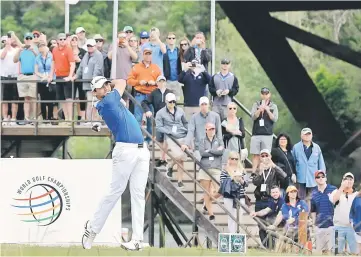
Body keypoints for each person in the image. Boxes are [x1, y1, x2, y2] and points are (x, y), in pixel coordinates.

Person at [82, 77, 150, 251]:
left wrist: (106, 83)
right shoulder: (108, 100)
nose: (104, 88)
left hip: (141, 150)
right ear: (94, 92)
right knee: (115, 191)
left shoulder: (107, 101)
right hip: (125, 151)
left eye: (105, 85)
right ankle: (93, 229)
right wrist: (110, 82)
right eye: (100, 87)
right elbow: (121, 81)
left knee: (138, 195)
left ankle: (137, 240)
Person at [253, 149, 287, 246]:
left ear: (270, 156)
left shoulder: (275, 168)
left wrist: (274, 166)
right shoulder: (259, 168)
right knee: (260, 224)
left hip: (270, 199)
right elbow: (255, 182)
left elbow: (284, 176)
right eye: (262, 156)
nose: (264, 158)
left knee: (270, 223)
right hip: (260, 200)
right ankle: (265, 246)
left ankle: (272, 245)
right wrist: (260, 172)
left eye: (266, 155)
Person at [155, 93, 188, 188]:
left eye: (174, 101)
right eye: (170, 102)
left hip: (182, 134)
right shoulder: (160, 113)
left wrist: (188, 131)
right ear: (166, 101)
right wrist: (168, 131)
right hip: (171, 137)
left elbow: (185, 122)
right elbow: (159, 127)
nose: (172, 103)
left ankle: (179, 180)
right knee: (179, 155)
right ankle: (169, 165)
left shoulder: (180, 110)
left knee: (182, 159)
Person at [141, 75, 173, 167]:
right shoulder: (154, 93)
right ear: (157, 83)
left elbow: (174, 105)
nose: (162, 83)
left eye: (163, 81)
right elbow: (144, 102)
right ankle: (162, 157)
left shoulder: (170, 93)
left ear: (165, 82)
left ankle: (163, 157)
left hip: (169, 119)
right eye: (160, 81)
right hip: (158, 119)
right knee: (160, 139)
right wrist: (147, 110)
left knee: (167, 139)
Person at [250, 87, 278, 177]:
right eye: (263, 94)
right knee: (256, 154)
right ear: (261, 94)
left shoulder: (273, 106)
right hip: (256, 133)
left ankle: (265, 171)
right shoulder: (256, 104)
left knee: (266, 154)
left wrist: (268, 110)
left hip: (267, 134)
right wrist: (259, 110)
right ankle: (254, 172)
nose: (265, 95)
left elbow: (275, 119)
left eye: (266, 94)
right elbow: (253, 117)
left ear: (269, 95)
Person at [199, 122, 224, 221]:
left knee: (221, 190)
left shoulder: (219, 140)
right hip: (204, 167)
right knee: (206, 191)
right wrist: (214, 151)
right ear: (206, 130)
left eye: (213, 128)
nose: (212, 130)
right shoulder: (202, 140)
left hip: (216, 167)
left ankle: (207, 202)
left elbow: (220, 152)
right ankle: (211, 213)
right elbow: (202, 153)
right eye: (210, 129)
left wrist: (209, 151)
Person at [292, 127, 326, 200]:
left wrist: (322, 177)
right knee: (301, 200)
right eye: (305, 134)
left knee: (314, 200)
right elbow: (292, 163)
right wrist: (293, 174)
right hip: (300, 179)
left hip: (313, 179)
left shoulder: (317, 147)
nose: (307, 136)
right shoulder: (296, 147)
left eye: (309, 134)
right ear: (301, 136)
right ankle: (303, 212)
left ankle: (312, 211)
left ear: (312, 135)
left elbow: (321, 163)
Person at [329, 172, 358, 255]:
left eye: (350, 179)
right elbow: (334, 200)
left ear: (353, 181)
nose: (348, 181)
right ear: (342, 180)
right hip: (338, 227)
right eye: (346, 179)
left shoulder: (357, 195)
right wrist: (342, 187)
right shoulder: (336, 192)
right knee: (337, 252)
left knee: (354, 253)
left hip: (353, 229)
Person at [219, 151, 248, 232]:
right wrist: (233, 178)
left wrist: (241, 180)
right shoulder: (225, 170)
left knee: (240, 216)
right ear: (229, 159)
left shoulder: (242, 170)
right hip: (229, 195)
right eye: (232, 158)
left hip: (240, 195)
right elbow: (222, 183)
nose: (234, 161)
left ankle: (238, 233)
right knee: (231, 216)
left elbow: (247, 183)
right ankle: (232, 234)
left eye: (236, 159)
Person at [310, 170, 337, 255]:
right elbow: (313, 211)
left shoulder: (333, 189)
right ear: (315, 179)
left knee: (330, 251)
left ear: (326, 178)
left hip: (332, 225)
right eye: (318, 177)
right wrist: (314, 225)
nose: (321, 178)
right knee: (320, 252)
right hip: (319, 226)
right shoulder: (314, 193)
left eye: (322, 176)